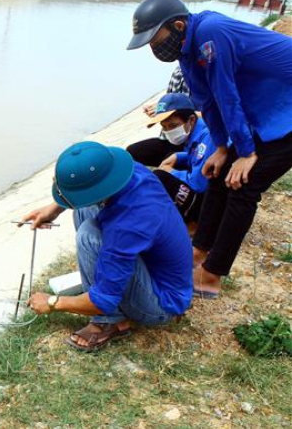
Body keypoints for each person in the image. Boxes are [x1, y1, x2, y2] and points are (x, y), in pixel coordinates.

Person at [127, 0, 292, 298]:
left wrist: (246, 153)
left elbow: (226, 94)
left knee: (244, 185)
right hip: (265, 108)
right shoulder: (186, 52)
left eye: (154, 39)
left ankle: (211, 275)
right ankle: (199, 251)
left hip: (286, 109)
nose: (153, 48)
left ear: (178, 25)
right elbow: (206, 101)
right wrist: (221, 147)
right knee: (216, 171)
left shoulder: (210, 33)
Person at [20, 141, 192, 352]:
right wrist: (55, 208)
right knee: (82, 211)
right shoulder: (129, 173)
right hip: (156, 270)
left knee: (88, 235)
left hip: (162, 303)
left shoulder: (128, 225)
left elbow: (103, 301)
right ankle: (107, 282)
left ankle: (109, 322)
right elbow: (89, 194)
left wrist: (53, 302)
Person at [148, 93, 215, 225]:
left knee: (161, 176)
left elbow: (199, 183)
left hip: (213, 195)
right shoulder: (194, 131)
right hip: (207, 185)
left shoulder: (207, 136)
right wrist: (177, 157)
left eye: (173, 125)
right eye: (164, 127)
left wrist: (171, 172)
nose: (168, 131)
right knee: (170, 160)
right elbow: (195, 156)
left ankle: (195, 221)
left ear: (191, 120)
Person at [127, 66, 191, 167]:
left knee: (170, 164)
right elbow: (171, 99)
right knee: (132, 152)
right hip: (171, 139)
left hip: (191, 134)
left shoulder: (204, 66)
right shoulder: (178, 71)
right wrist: (161, 109)